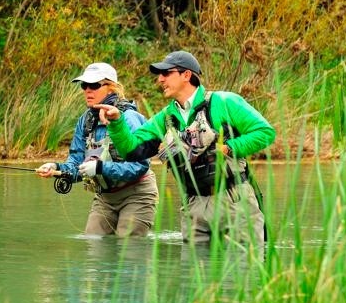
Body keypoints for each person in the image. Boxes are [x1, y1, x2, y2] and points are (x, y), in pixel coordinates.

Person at [95, 51, 275, 245]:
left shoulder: (224, 102)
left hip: (234, 199)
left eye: (166, 73)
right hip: (193, 206)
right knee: (193, 273)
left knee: (242, 271)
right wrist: (116, 122)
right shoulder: (166, 117)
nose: (160, 79)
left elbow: (265, 132)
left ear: (187, 75)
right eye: (159, 75)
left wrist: (229, 148)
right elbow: (131, 150)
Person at [36, 62, 158, 237]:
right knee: (93, 243)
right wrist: (57, 168)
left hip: (137, 194)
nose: (87, 90)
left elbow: (140, 166)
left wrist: (100, 168)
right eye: (84, 85)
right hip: (105, 197)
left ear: (111, 88)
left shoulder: (129, 118)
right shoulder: (85, 121)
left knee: (127, 248)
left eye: (94, 85)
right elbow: (76, 162)